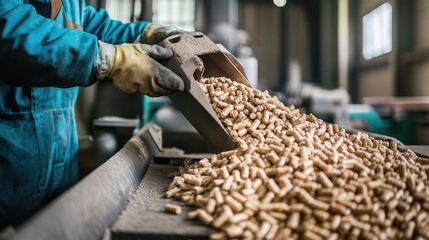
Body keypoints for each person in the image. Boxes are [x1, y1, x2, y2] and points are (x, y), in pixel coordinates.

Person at [0, 0, 185, 228]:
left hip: (59, 156)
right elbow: (10, 30)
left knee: (59, 224)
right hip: (9, 161)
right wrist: (111, 58)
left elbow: (81, 21)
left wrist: (143, 33)